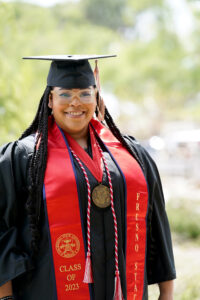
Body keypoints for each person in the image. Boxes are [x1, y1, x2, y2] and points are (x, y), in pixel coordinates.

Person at [0, 55, 176, 300]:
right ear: (50, 100)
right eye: (64, 94)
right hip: (46, 290)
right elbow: (2, 229)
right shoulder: (25, 158)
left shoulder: (130, 156)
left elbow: (156, 222)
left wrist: (166, 293)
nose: (75, 102)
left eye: (84, 93)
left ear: (97, 98)